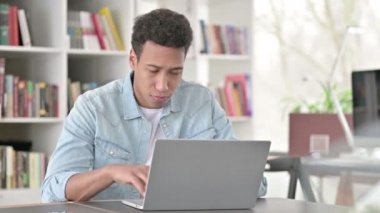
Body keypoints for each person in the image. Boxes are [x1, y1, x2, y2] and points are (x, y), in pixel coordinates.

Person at [41, 8, 267, 202]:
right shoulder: (93, 106)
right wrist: (110, 173)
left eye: (175, 72)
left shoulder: (202, 102)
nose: (163, 86)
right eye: (153, 70)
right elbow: (52, 190)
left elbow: (256, 185)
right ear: (132, 60)